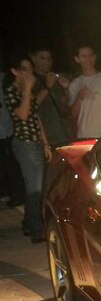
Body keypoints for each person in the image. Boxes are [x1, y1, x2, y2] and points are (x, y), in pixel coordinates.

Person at [3, 55, 51, 242]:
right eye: (24, 69)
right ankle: (36, 228)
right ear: (15, 71)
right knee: (35, 189)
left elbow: (35, 117)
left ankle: (29, 223)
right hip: (24, 144)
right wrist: (28, 89)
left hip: (36, 143)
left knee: (37, 188)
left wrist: (45, 142)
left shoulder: (25, 92)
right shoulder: (12, 91)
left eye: (30, 69)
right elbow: (22, 115)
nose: (29, 73)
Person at [67, 43, 101, 139]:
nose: (88, 59)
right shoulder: (75, 84)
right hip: (83, 135)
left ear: (95, 57)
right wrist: (79, 97)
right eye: (84, 56)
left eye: (90, 55)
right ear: (77, 59)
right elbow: (73, 114)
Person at [29, 44, 72, 148]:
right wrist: (47, 86)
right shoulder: (31, 80)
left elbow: (65, 105)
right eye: (42, 58)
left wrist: (66, 88)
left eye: (49, 58)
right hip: (46, 137)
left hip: (64, 133)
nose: (46, 62)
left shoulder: (55, 78)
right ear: (33, 59)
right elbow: (32, 106)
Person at [0, 71, 27, 207]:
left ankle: (16, 194)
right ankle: (7, 191)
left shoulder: (5, 79)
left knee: (11, 163)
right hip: (5, 128)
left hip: (8, 129)